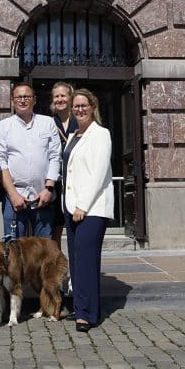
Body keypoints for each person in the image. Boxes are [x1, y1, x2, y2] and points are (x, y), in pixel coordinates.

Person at [63, 88, 114, 333]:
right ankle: (84, 307)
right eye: (76, 106)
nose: (79, 109)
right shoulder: (74, 135)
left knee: (85, 261)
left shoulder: (100, 134)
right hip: (71, 206)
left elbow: (99, 173)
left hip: (91, 208)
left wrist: (82, 205)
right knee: (77, 261)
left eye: (84, 105)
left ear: (93, 107)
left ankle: (86, 315)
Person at [0, 83, 61, 239]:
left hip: (43, 197)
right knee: (15, 250)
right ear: (12, 101)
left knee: (42, 252)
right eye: (19, 97)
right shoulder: (3, 126)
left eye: (27, 97)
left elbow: (55, 156)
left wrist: (49, 189)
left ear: (34, 100)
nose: (23, 100)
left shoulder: (48, 123)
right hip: (15, 197)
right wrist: (13, 194)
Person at [50, 81, 77, 247]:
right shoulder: (48, 122)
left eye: (63, 95)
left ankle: (77, 267)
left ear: (70, 98)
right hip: (56, 180)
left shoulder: (80, 120)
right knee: (55, 227)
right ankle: (58, 268)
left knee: (75, 225)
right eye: (56, 96)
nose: (60, 99)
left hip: (75, 180)